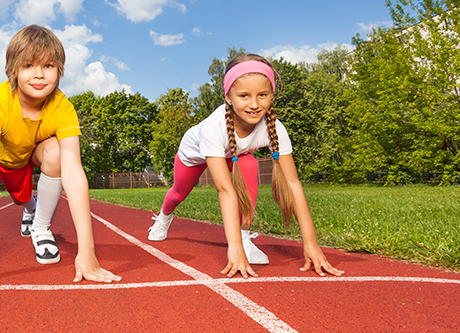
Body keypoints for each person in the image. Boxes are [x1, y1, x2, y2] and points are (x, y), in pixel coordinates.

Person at [0, 25, 121, 283]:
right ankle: (30, 209)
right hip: (10, 161)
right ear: (13, 70)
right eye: (28, 66)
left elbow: (73, 171)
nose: (38, 75)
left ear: (59, 70)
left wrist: (87, 252)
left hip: (37, 152)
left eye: (48, 65)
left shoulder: (62, 106)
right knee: (22, 199)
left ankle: (40, 226)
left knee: (58, 155)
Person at [147, 53, 343, 278]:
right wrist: (233, 249)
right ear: (228, 97)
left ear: (272, 95)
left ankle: (245, 236)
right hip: (195, 156)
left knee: (249, 165)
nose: (254, 105)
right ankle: (164, 216)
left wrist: (311, 244)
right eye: (244, 95)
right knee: (178, 194)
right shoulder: (214, 127)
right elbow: (225, 190)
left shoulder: (275, 128)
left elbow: (292, 183)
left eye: (262, 95)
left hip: (236, 155)